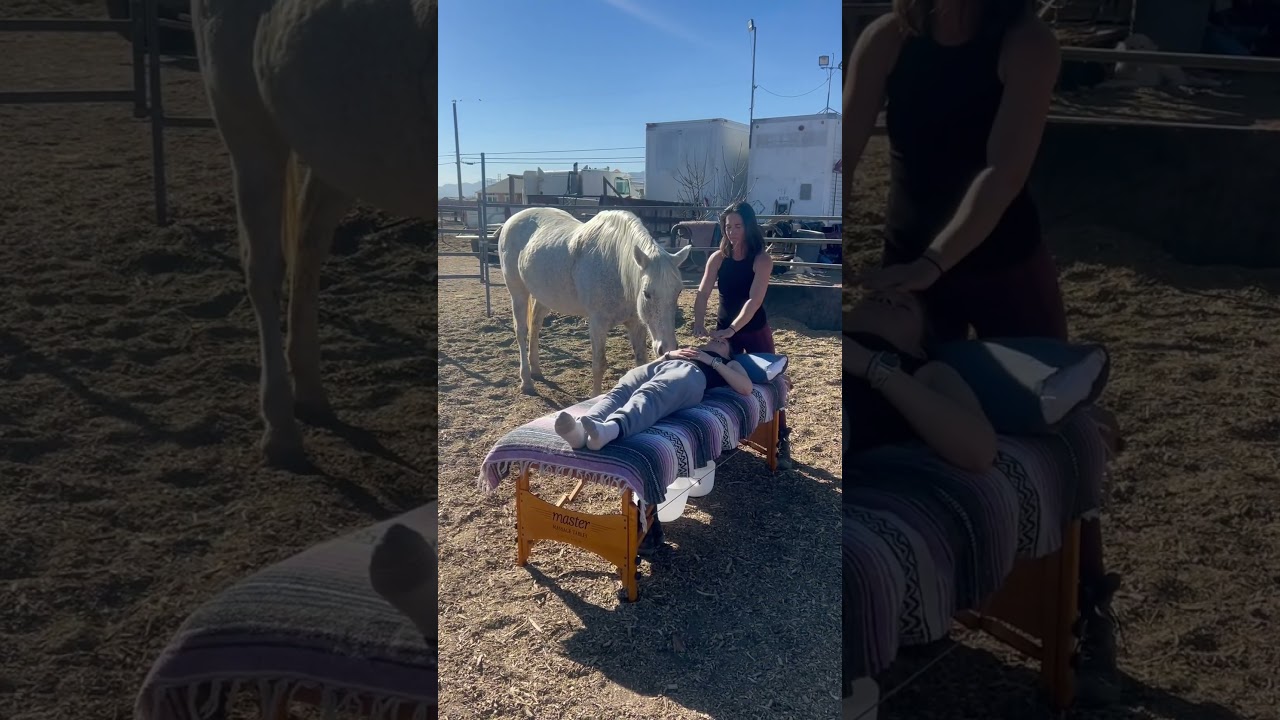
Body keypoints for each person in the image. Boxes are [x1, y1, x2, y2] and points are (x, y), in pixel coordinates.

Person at [843, 0, 1120, 701]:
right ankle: (924, 586)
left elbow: (1002, 172)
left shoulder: (1027, 43)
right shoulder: (888, 38)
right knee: (898, 413)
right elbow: (841, 154)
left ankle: (1090, 611)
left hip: (1000, 268)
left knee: (1057, 428)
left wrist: (934, 265)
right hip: (909, 264)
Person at [691, 202, 794, 469]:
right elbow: (702, 293)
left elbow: (753, 301)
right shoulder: (718, 258)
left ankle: (782, 438)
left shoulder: (762, 259)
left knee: (773, 382)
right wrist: (699, 321)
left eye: (738, 226)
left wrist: (733, 329)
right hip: (726, 329)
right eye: (728, 227)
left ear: (749, 226)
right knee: (719, 377)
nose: (733, 232)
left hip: (753, 329)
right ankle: (725, 433)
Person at [554, 336, 753, 452]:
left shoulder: (729, 363)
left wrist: (712, 361)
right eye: (714, 337)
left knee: (650, 393)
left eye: (722, 341)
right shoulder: (694, 349)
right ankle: (582, 430)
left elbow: (746, 387)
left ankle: (610, 430)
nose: (715, 339)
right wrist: (668, 355)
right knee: (622, 390)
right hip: (666, 364)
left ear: (730, 351)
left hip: (691, 376)